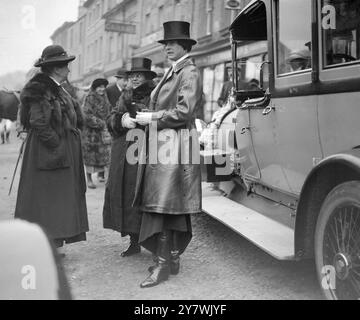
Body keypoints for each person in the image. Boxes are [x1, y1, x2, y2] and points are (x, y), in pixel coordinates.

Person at [134, 21, 203, 288]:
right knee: (167, 205)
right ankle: (170, 258)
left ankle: (163, 264)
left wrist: (153, 117)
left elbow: (185, 112)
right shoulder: (174, 71)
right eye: (165, 45)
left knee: (164, 205)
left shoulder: (190, 72)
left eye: (172, 44)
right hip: (166, 144)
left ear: (184, 45)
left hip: (175, 146)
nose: (167, 49)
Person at [15, 45, 89, 248]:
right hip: (48, 150)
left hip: (58, 150)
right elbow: (39, 122)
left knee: (55, 198)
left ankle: (52, 241)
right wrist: (57, 146)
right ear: (56, 68)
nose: (69, 70)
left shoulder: (57, 86)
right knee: (47, 197)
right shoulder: (41, 89)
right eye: (66, 65)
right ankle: (45, 243)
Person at [103, 58, 156, 257]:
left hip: (146, 151)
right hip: (125, 152)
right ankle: (134, 242)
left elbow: (163, 118)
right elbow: (112, 116)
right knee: (127, 194)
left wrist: (147, 120)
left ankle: (153, 241)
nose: (134, 79)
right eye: (132, 75)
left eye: (138, 75)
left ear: (147, 77)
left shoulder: (155, 94)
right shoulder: (126, 94)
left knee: (144, 194)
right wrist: (121, 120)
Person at [82, 78, 112, 189]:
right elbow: (87, 115)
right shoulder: (89, 98)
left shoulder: (105, 97)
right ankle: (89, 179)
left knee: (104, 156)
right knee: (90, 157)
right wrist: (101, 123)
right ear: (95, 88)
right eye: (100, 87)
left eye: (104, 87)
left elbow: (109, 110)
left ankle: (101, 175)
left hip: (103, 132)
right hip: (91, 134)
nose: (102, 89)